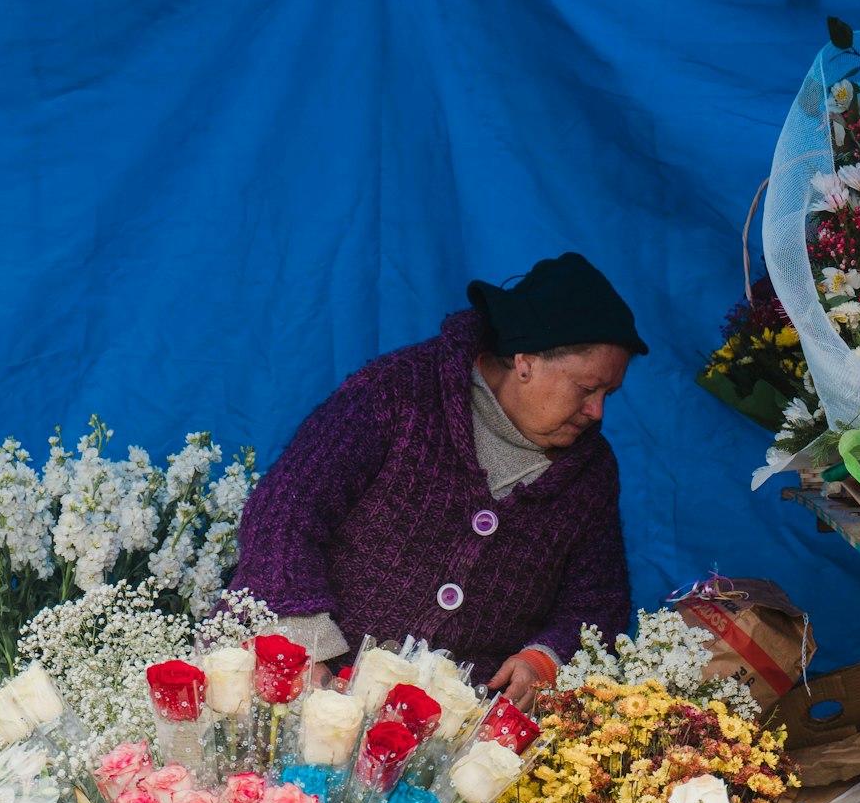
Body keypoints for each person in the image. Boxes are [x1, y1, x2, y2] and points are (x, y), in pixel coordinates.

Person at [230, 252, 647, 709]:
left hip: (451, 734)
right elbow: (286, 511)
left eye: (609, 394)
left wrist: (543, 659)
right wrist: (302, 649)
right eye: (587, 389)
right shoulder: (398, 394)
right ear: (526, 360)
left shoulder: (591, 472)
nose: (598, 412)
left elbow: (597, 600)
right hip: (307, 683)